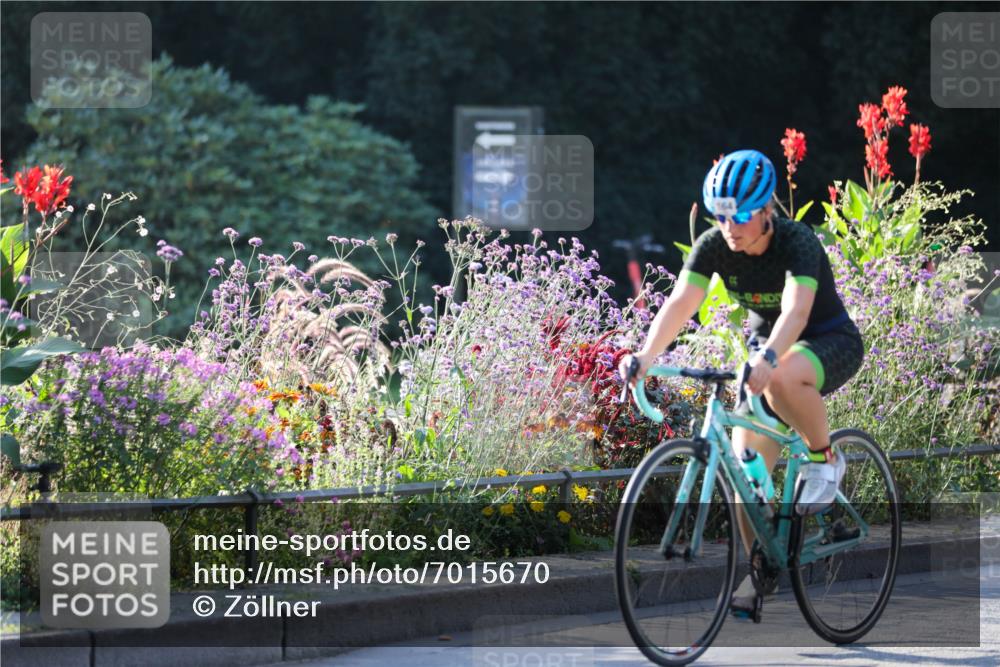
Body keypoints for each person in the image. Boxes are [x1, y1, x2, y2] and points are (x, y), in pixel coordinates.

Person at [618, 149, 864, 616]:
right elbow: (680, 303)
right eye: (722, 216)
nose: (731, 227)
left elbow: (796, 310)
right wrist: (645, 356)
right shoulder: (714, 246)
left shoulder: (797, 241)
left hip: (827, 340)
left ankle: (825, 458)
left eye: (743, 216)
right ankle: (763, 567)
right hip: (766, 351)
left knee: (783, 377)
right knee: (743, 473)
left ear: (768, 210)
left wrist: (770, 357)